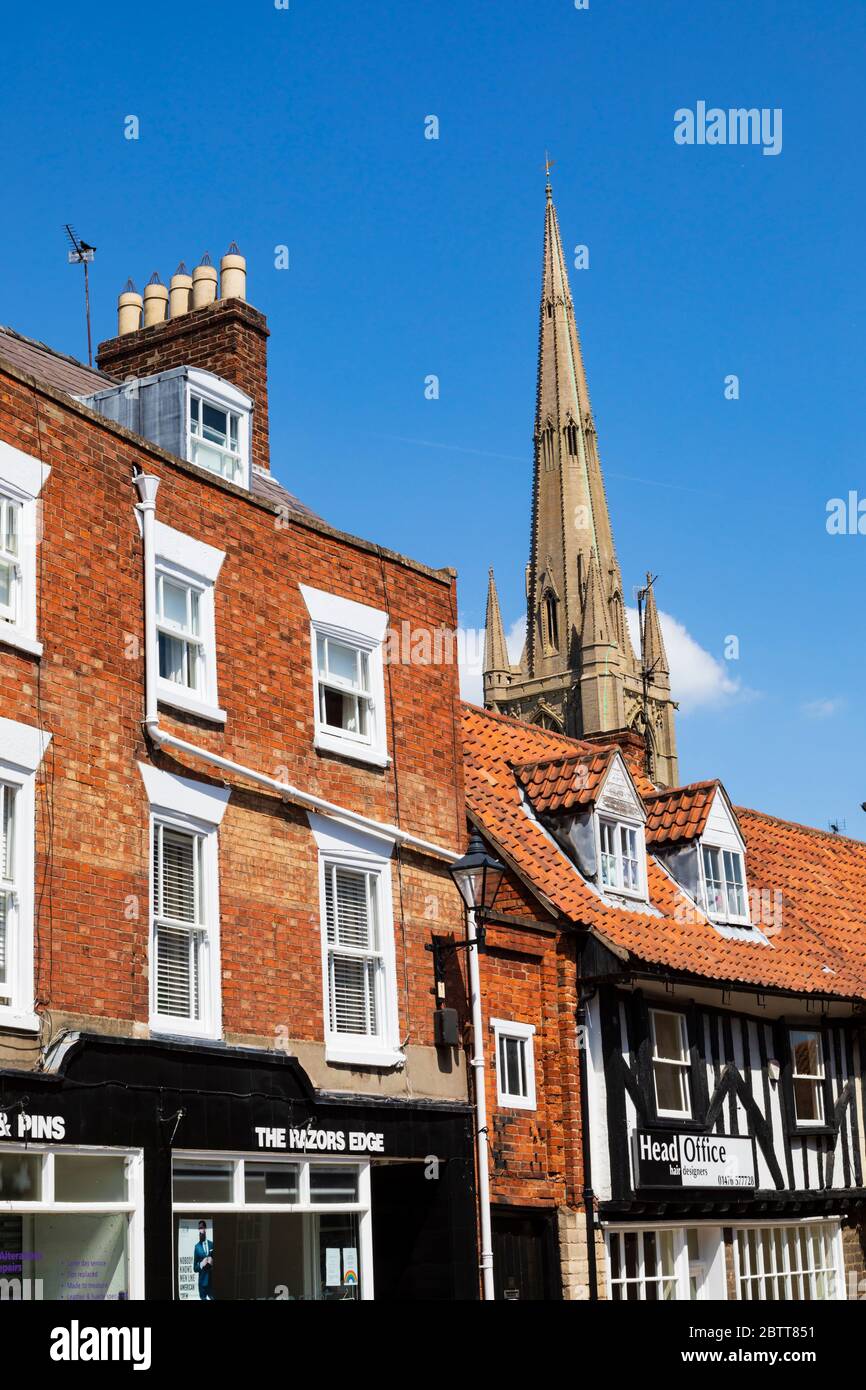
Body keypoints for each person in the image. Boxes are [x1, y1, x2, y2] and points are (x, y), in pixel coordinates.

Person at [193, 1221, 214, 1300]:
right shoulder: (197, 1247)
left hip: (212, 1282)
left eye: (202, 1228)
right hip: (202, 1283)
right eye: (199, 1228)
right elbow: (195, 1268)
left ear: (205, 1229)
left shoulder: (211, 1244)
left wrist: (213, 1262)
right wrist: (201, 1264)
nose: (200, 1230)